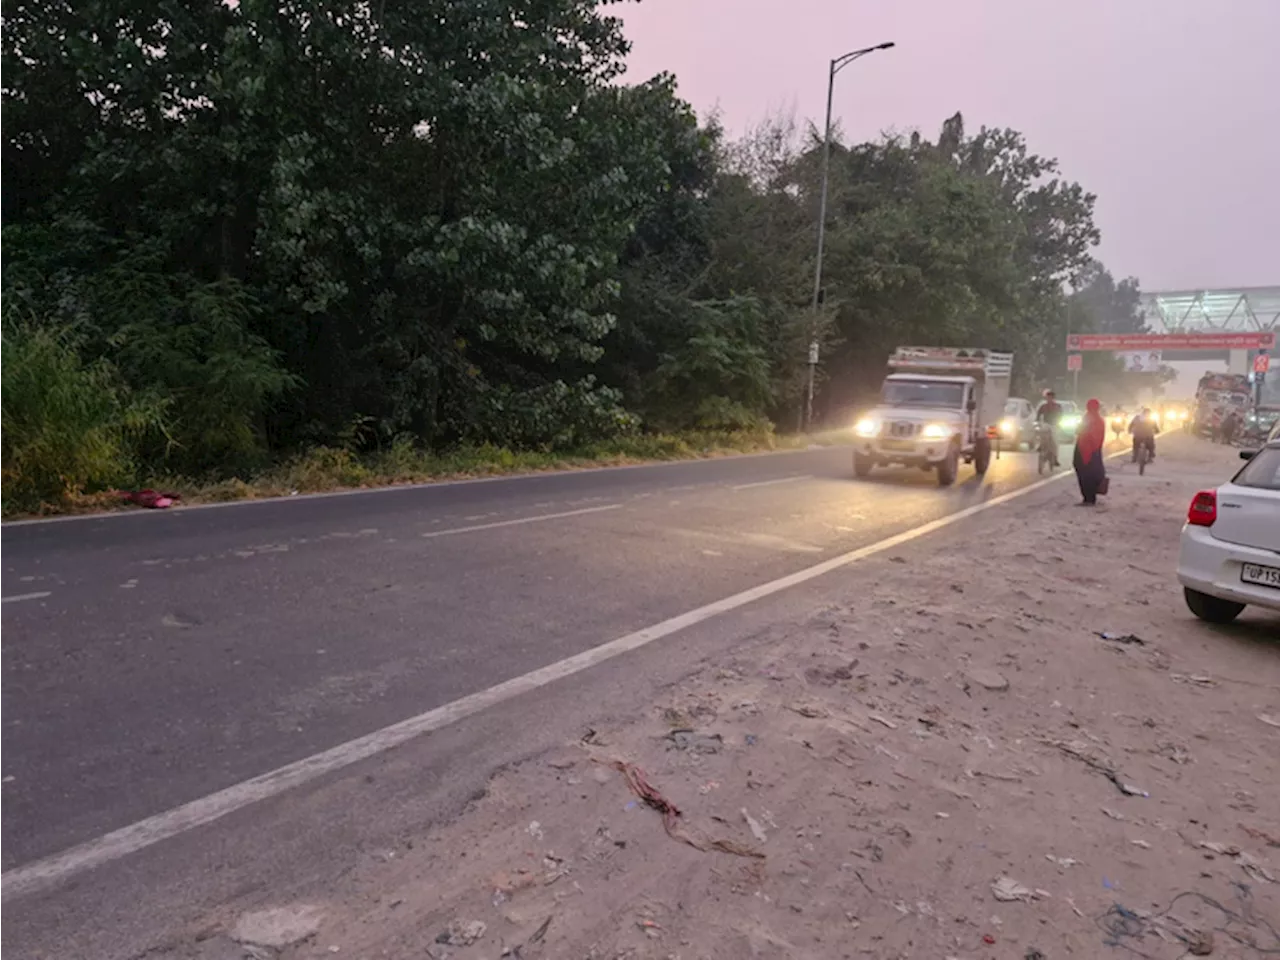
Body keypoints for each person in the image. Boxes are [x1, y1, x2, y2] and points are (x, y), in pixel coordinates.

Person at [1074, 398, 1108, 505]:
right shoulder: (1099, 420)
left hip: (1085, 450)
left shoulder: (1089, 419)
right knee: (1090, 473)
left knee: (1085, 474)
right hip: (1093, 451)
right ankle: (1090, 497)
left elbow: (1080, 431)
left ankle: (1088, 498)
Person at [1035, 389, 1062, 467]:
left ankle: (1055, 458)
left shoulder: (1057, 406)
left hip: (1054, 425)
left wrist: (1058, 422)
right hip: (1046, 424)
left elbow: (1060, 415)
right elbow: (1038, 415)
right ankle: (1040, 446)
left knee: (1055, 441)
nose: (1049, 399)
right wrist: (1037, 421)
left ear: (1053, 398)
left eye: (1050, 397)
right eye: (1048, 397)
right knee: (1042, 434)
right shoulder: (1043, 406)